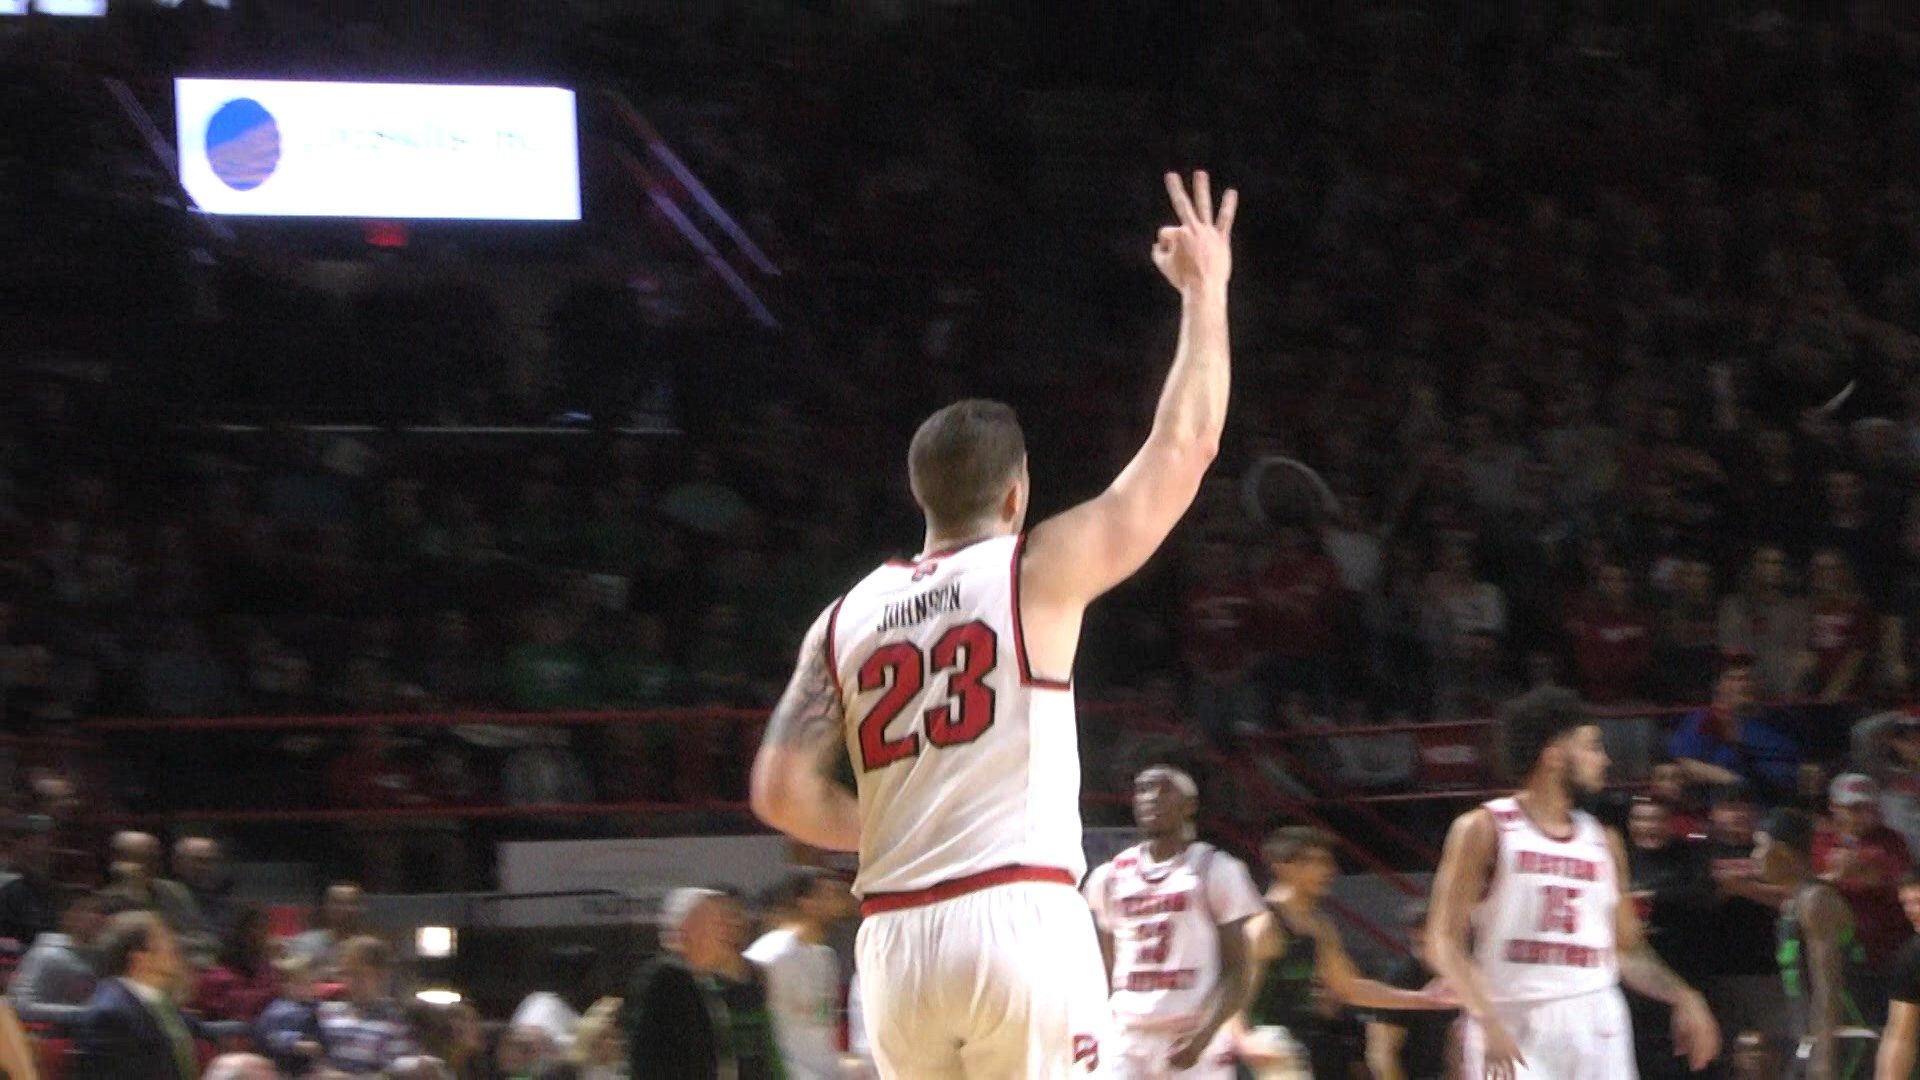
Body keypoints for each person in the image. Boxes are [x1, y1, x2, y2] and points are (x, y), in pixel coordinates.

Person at [749, 171, 1238, 1078]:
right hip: (1016, 916)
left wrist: (909, 822)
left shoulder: (842, 618)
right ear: (1017, 492)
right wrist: (1206, 293)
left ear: (920, 495)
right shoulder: (1031, 570)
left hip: (894, 939)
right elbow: (1186, 449)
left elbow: (780, 795)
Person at [1426, 686, 1721, 1079]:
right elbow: (1442, 941)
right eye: (1593, 747)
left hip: (1596, 1019)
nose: (1605, 759)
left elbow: (1627, 949)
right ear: (1553, 756)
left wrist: (1684, 995)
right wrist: (1485, 1017)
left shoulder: (1604, 840)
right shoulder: (1484, 829)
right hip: (1512, 1016)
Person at [1082, 766, 1265, 1078]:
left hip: (1192, 1031)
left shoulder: (1216, 869)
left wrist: (1203, 1036)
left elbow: (1239, 970)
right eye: (1143, 790)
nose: (1151, 798)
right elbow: (1101, 965)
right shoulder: (1109, 876)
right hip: (1127, 1034)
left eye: (1165, 790)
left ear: (1189, 805)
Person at [1242, 827, 1452, 1078]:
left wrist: (1424, 1000)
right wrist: (1243, 1043)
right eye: (1317, 862)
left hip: (1295, 1052)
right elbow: (1229, 1000)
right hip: (1261, 1058)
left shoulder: (1319, 926)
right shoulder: (1264, 926)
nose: (1329, 871)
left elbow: (1350, 988)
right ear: (1284, 867)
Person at [1754, 808, 1876, 1080]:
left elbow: (1828, 987)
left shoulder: (1816, 901)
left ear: (1783, 852)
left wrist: (1824, 1060)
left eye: (1760, 848)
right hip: (1812, 1039)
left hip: (1842, 1038)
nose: (1754, 857)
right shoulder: (1793, 903)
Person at [620, 887, 782, 1079]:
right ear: (690, 929)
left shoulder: (698, 981)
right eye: (717, 924)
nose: (726, 933)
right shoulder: (668, 982)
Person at [744, 868, 856, 1079]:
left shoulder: (825, 957)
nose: (843, 899)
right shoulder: (771, 952)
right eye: (831, 893)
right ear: (807, 902)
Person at [71, 910, 209, 1080]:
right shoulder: (110, 1015)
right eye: (165, 938)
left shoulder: (171, 1010)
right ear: (140, 958)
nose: (176, 946)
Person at [1668, 657, 1802, 803]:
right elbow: (1686, 763)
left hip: (1780, 798)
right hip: (1728, 802)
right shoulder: (1706, 718)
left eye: (1748, 678)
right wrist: (1735, 781)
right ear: (1720, 686)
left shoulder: (1778, 719)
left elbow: (1794, 762)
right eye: (1734, 679)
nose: (1744, 684)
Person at [1361, 903, 1459, 1080]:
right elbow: (1382, 1055)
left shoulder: (1457, 975)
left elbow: (1455, 1048)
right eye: (1418, 943)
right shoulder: (1402, 978)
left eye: (1428, 942)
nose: (1422, 952)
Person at [319, 935, 421, 1074]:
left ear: (381, 975)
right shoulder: (326, 1013)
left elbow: (400, 1076)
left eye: (358, 974)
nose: (349, 982)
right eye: (345, 974)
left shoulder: (398, 1025)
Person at [9, 887, 105, 1028]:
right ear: (68, 916)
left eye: (100, 912)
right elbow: (22, 1005)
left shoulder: (98, 954)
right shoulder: (45, 954)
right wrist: (85, 1013)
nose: (97, 918)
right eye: (87, 911)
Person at [1875, 870, 1920, 1079]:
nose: (1912, 911)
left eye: (1918, 901)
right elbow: (1899, 1037)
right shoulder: (1912, 956)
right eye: (1906, 903)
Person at [255, 952, 327, 1077]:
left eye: (313, 983)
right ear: (287, 986)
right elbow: (271, 1037)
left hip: (314, 1063)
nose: (311, 988)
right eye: (304, 983)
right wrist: (296, 1044)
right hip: (287, 1066)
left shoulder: (314, 1006)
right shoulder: (278, 1011)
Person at [287, 881, 365, 977]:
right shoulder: (305, 944)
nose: (345, 909)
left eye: (351, 903)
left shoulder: (370, 950)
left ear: (361, 909)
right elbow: (295, 980)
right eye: (338, 903)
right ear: (326, 907)